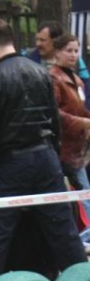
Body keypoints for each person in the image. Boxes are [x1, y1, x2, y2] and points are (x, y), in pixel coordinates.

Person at [0, 18, 87, 281]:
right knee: (65, 235)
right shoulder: (40, 72)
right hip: (46, 158)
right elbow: (54, 124)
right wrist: (55, 161)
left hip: (11, 164)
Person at [49, 33, 90, 225]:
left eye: (76, 51)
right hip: (60, 149)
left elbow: (81, 110)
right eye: (69, 51)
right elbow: (55, 114)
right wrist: (84, 123)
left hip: (76, 150)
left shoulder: (76, 79)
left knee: (83, 195)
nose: (73, 55)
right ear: (57, 52)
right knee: (81, 196)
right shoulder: (53, 78)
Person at [26, 20, 90, 110]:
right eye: (37, 39)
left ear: (55, 41)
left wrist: (85, 117)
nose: (38, 44)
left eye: (42, 40)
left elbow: (87, 89)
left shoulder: (75, 61)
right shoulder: (27, 58)